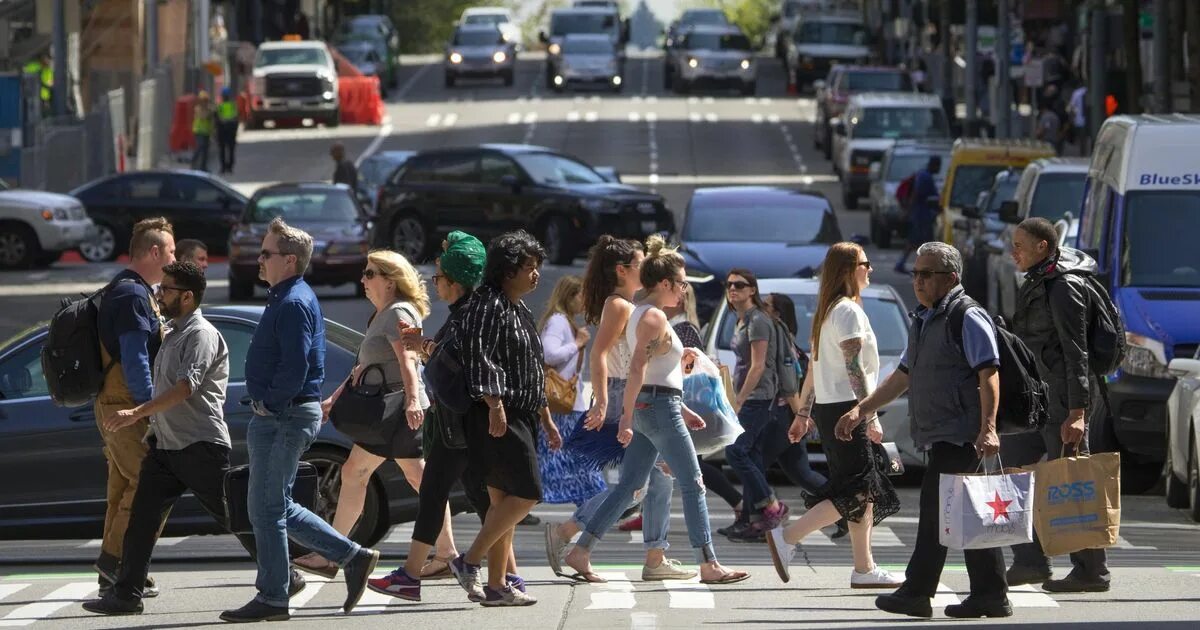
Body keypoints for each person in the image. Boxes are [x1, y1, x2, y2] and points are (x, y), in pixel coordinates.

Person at [81, 262, 305, 616]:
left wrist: (136, 413)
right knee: (142, 518)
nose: (159, 295)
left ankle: (284, 574)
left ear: (187, 297)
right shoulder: (172, 332)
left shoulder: (199, 334)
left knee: (233, 514)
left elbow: (186, 387)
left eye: (166, 290)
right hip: (166, 446)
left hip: (199, 445)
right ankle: (126, 594)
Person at [560, 235, 750, 585]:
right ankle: (709, 563)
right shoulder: (652, 318)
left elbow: (654, 368)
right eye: (680, 284)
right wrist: (628, 417)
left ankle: (580, 550)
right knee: (693, 482)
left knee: (629, 486)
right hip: (657, 408)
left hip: (659, 406)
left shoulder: (646, 314)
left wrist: (673, 400)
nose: (684, 290)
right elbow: (637, 369)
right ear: (664, 283)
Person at [221, 218, 380, 622]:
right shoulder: (284, 297)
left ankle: (274, 596)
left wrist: (268, 404)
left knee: (268, 508)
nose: (259, 259)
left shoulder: (292, 302)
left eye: (266, 253)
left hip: (284, 415)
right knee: (271, 506)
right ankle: (353, 556)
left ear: (289, 260)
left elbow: (295, 366)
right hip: (279, 414)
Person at [842, 242, 1009, 619]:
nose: (917, 281)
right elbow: (902, 377)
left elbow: (989, 374)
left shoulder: (966, 316)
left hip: (962, 435)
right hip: (941, 433)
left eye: (925, 274)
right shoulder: (925, 318)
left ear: (950, 278)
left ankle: (918, 593)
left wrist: (989, 428)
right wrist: (861, 410)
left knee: (937, 515)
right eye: (915, 274)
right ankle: (991, 595)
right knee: (969, 517)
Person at [368, 231, 523, 601]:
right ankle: (505, 578)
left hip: (463, 423)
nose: (434, 283)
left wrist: (423, 347)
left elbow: (469, 364)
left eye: (438, 277)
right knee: (474, 499)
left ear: (454, 281)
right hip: (462, 421)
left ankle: (423, 573)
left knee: (453, 495)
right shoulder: (467, 311)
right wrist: (424, 346)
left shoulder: (471, 312)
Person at [292, 250, 453, 577]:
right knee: (368, 474)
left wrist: (410, 400)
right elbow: (363, 367)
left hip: (399, 411)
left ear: (390, 281)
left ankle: (333, 553)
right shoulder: (383, 314)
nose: (362, 280)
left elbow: (409, 358)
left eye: (369, 274)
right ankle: (335, 552)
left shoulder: (399, 312)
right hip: (396, 410)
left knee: (381, 476)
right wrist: (334, 399)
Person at [544, 236, 688, 584]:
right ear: (623, 270)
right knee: (643, 482)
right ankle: (575, 536)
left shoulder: (627, 302)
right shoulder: (621, 305)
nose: (647, 269)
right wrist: (606, 400)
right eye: (640, 265)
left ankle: (649, 554)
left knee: (649, 482)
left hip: (632, 394)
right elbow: (599, 354)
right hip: (628, 396)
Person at [765, 243, 902, 588]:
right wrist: (868, 414)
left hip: (833, 409)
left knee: (861, 490)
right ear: (846, 270)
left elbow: (814, 369)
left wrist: (804, 413)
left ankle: (864, 568)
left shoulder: (828, 313)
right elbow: (853, 367)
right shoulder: (846, 312)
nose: (870, 269)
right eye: (864, 264)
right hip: (847, 409)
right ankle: (788, 537)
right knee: (856, 491)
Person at [448, 230, 563, 607]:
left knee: (503, 505)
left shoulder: (518, 307)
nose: (535, 275)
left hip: (523, 412)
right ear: (506, 269)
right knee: (528, 494)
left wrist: (545, 417)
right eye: (528, 267)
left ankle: (497, 586)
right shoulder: (488, 304)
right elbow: (479, 357)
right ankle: (469, 561)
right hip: (497, 413)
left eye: (537, 267)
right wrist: (495, 403)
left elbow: (531, 367)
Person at [1004, 217, 1110, 593]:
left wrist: (1078, 413)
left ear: (1042, 247)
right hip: (1036, 396)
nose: (1013, 251)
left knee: (1074, 479)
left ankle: (1091, 570)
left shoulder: (1064, 287)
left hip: (1065, 400)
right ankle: (1030, 561)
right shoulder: (1036, 281)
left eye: (1020, 244)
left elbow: (1076, 352)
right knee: (1012, 467)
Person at [93, 217, 176, 598]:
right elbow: (135, 358)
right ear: (154, 252)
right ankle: (118, 563)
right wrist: (148, 409)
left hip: (115, 401)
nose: (174, 259)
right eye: (171, 252)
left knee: (124, 485)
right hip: (125, 402)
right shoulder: (131, 295)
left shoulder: (125, 290)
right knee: (148, 486)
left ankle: (123, 566)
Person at [761, 293, 846, 537]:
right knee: (800, 472)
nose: (761, 308)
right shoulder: (780, 338)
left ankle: (755, 519)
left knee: (751, 465)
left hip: (785, 418)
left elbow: (791, 386)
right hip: (790, 417)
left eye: (766, 305)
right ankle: (845, 511)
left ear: (777, 314)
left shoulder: (783, 343)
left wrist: (802, 416)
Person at [722, 268, 790, 542]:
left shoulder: (758, 320)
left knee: (736, 452)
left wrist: (738, 401)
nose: (733, 289)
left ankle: (773, 506)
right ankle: (757, 521)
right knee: (750, 455)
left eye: (739, 285)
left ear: (752, 290)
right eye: (729, 285)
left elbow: (759, 366)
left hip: (758, 397)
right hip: (748, 395)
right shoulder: (740, 319)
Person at [538, 275, 607, 506]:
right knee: (575, 457)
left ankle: (592, 503)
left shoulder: (565, 322)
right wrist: (577, 343)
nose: (586, 301)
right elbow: (549, 354)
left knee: (569, 458)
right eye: (582, 296)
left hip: (568, 404)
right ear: (570, 296)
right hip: (562, 405)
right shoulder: (559, 321)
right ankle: (598, 501)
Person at [895, 156, 941, 273]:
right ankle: (904, 263)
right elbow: (916, 194)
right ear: (934, 165)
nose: (939, 169)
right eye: (938, 166)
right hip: (921, 215)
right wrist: (908, 211)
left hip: (922, 214)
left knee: (920, 240)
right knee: (919, 240)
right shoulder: (925, 177)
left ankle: (911, 264)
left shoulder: (924, 175)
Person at [216, 87, 239, 175]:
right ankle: (226, 167)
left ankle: (226, 167)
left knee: (228, 149)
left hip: (227, 129)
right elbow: (219, 116)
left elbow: (235, 115)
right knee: (227, 149)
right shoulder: (223, 105)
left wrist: (224, 120)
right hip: (226, 129)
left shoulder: (229, 105)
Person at [192, 91, 215, 172]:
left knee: (205, 150)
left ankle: (203, 167)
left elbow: (212, 122)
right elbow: (203, 116)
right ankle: (193, 164)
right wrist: (210, 113)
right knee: (199, 147)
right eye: (203, 101)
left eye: (206, 101)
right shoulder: (198, 109)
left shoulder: (209, 110)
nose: (205, 102)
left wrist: (212, 132)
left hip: (206, 132)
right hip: (199, 131)